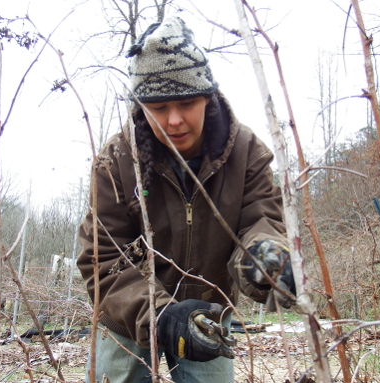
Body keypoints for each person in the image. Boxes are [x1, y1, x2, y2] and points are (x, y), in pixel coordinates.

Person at [77, 16, 296, 383]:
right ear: (141, 107)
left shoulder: (247, 153)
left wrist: (265, 258)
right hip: (128, 313)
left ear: (207, 98)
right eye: (159, 108)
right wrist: (161, 316)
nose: (174, 120)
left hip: (209, 311)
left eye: (186, 103)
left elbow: (262, 222)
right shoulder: (116, 161)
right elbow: (101, 257)